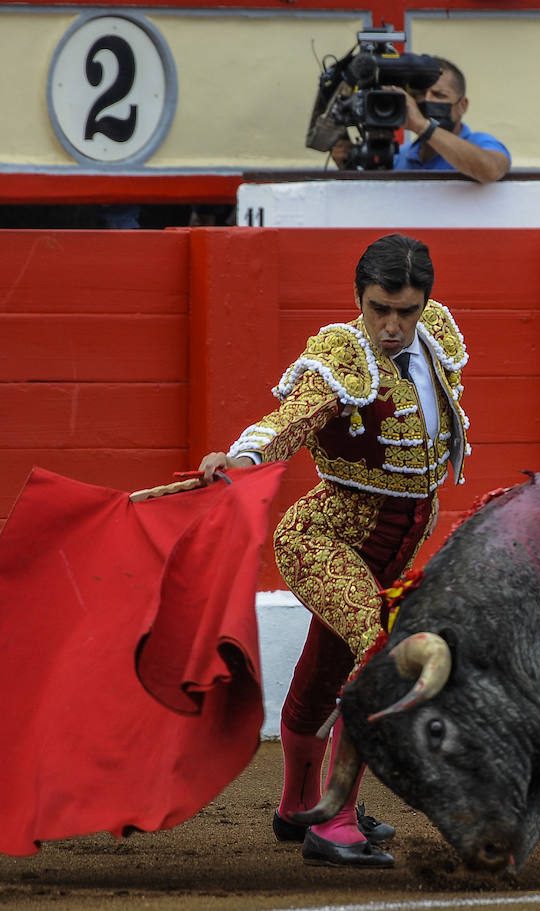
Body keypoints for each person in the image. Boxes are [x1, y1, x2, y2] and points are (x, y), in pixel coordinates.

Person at [197, 233, 470, 868]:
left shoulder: (436, 342)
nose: (393, 326)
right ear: (359, 299)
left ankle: (300, 806)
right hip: (324, 537)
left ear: (425, 303)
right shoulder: (341, 355)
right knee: (377, 654)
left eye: (407, 311)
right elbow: (295, 416)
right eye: (380, 310)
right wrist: (244, 456)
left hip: (395, 544)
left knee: (328, 661)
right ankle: (336, 819)